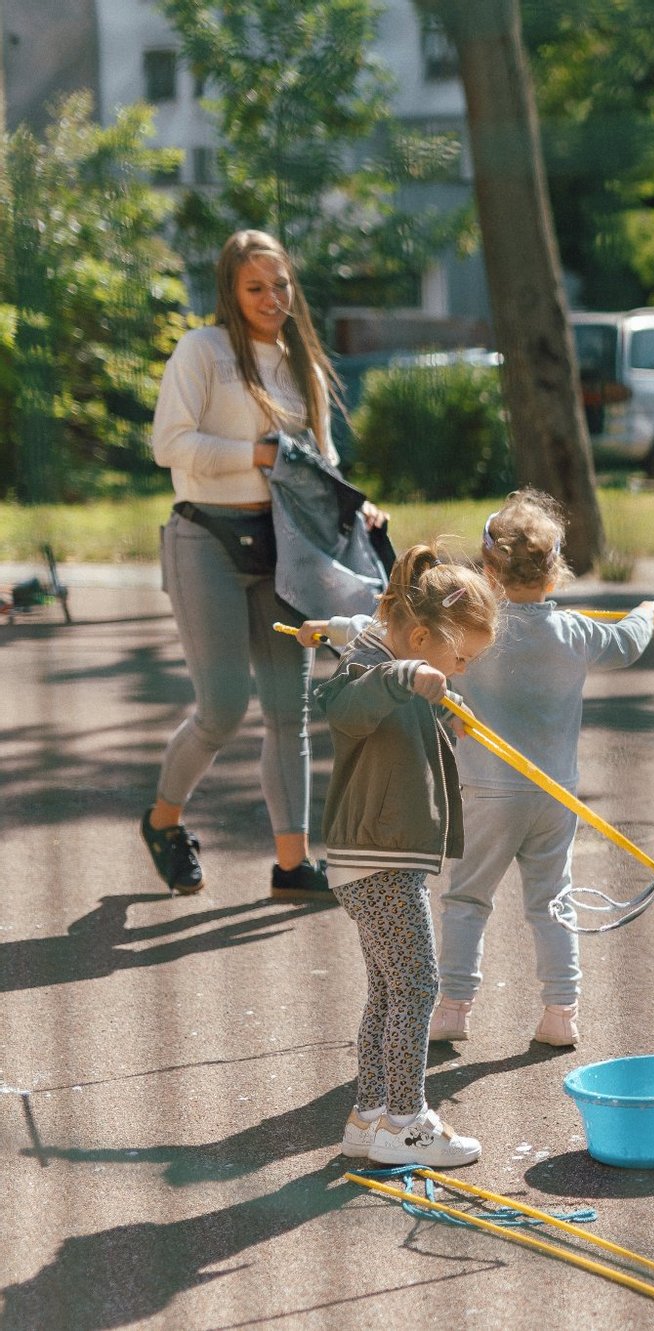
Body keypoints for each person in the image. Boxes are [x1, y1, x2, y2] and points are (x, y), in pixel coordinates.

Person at [142, 228, 381, 902]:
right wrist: (257, 455)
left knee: (288, 711)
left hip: (286, 544)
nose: (273, 298)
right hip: (205, 539)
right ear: (231, 290)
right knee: (221, 710)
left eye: (281, 285)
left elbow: (321, 462)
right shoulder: (203, 350)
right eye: (256, 287)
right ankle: (162, 822)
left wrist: (355, 508)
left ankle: (291, 865)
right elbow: (170, 443)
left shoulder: (300, 360)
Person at [429, 490, 654, 1049]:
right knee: (551, 902)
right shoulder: (575, 632)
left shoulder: (472, 631)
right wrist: (646, 611)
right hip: (556, 795)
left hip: (487, 791)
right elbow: (628, 644)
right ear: (554, 574)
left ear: (486, 569)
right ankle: (561, 1015)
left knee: (466, 899)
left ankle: (453, 1009)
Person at [317, 542, 501, 1166]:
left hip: (379, 859)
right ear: (420, 636)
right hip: (377, 860)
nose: (464, 669)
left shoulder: (404, 668)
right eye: (460, 657)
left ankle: (368, 1118)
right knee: (420, 986)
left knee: (390, 990)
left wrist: (444, 706)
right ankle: (406, 1121)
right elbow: (344, 705)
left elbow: (399, 725)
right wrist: (408, 678)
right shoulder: (373, 670)